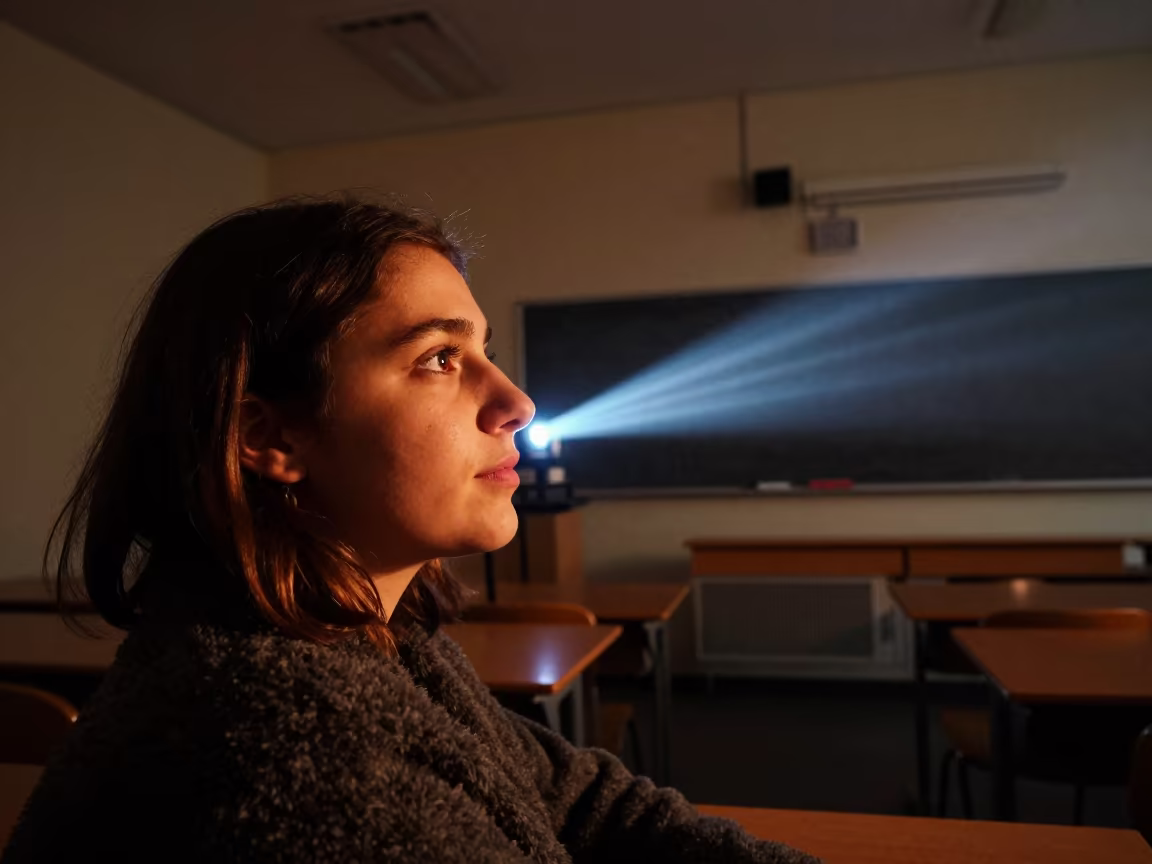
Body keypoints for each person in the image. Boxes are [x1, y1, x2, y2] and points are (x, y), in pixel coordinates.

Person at [3, 197, 819, 863]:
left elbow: (588, 805)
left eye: (484, 351)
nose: (516, 404)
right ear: (271, 439)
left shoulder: (378, 638)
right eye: (438, 358)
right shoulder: (311, 762)